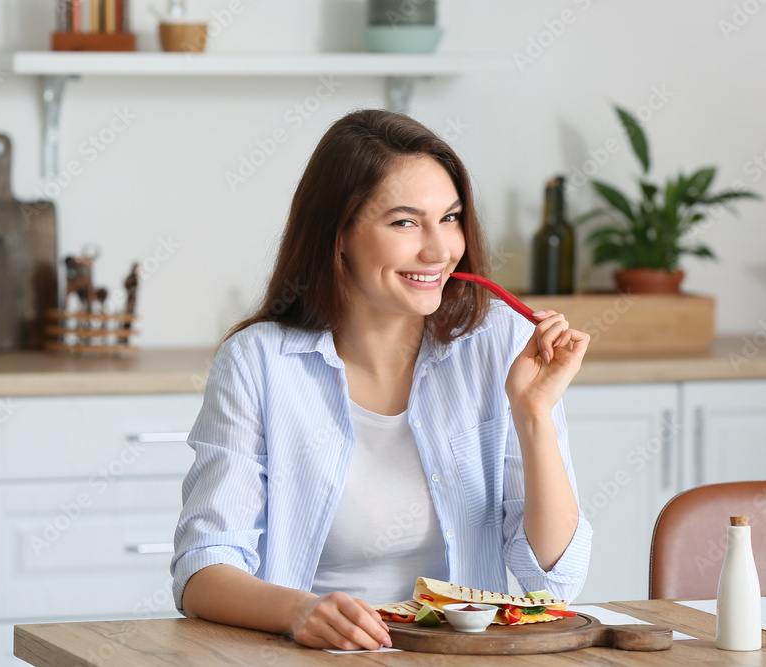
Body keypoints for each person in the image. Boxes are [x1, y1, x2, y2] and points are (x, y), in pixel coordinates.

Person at [171, 109, 592, 652]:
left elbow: (553, 585)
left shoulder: (504, 346)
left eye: (451, 218)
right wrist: (300, 612)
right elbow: (203, 570)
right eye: (404, 222)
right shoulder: (258, 362)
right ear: (338, 234)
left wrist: (533, 417)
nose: (440, 250)